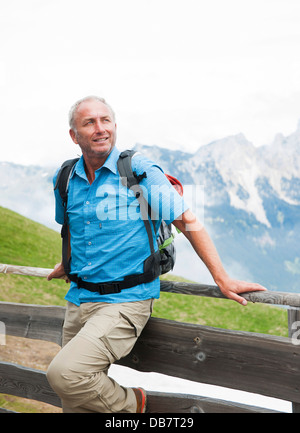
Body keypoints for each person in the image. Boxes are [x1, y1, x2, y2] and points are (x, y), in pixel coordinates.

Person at [46, 96, 266, 413]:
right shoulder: (66, 178)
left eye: (105, 120)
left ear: (115, 126)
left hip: (125, 301)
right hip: (79, 299)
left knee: (65, 374)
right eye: (89, 122)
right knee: (76, 402)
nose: (100, 129)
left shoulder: (134, 172)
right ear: (74, 135)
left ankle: (133, 404)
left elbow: (187, 221)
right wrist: (68, 264)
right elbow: (73, 228)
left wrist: (222, 278)